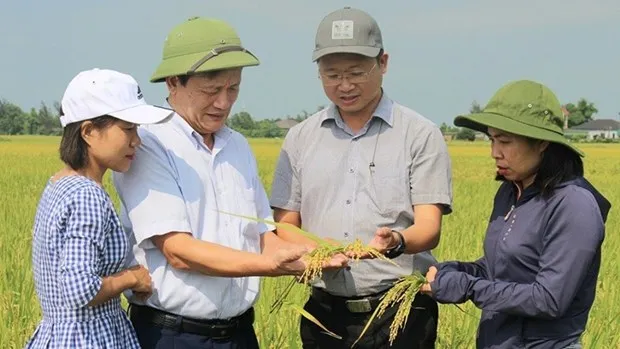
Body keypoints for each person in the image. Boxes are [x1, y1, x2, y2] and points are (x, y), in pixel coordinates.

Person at [112, 17, 347, 349]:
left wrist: (314, 255)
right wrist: (270, 266)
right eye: (211, 90)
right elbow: (179, 251)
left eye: (233, 88)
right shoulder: (150, 144)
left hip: (239, 334)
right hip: (172, 336)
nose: (223, 102)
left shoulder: (236, 145)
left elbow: (264, 237)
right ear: (173, 83)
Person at [270, 7, 453, 349]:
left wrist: (394, 242)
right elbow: (286, 223)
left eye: (356, 72)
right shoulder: (300, 137)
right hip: (324, 315)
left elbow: (429, 228)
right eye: (332, 74)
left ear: (383, 63)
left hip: (399, 312)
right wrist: (315, 252)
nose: (345, 85)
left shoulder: (419, 134)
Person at [421, 79, 611, 349]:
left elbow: (548, 299)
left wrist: (468, 287)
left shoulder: (574, 205)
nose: (494, 153)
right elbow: (502, 268)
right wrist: (458, 270)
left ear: (542, 143)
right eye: (492, 140)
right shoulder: (511, 193)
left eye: (506, 142)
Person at [24, 68, 173, 349]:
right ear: (89, 131)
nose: (136, 141)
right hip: (87, 338)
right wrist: (131, 278)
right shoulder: (87, 196)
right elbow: (80, 289)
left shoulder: (58, 184)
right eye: (128, 128)